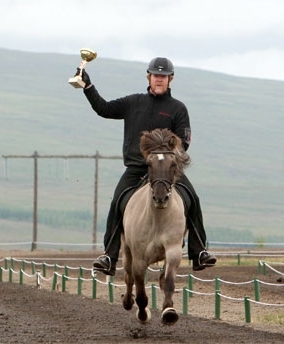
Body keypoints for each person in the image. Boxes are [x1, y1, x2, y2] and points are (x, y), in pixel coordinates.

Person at [76, 57, 217, 275]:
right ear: (148, 77)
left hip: (167, 171)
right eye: (155, 75)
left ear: (170, 79)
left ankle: (198, 251)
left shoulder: (178, 109)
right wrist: (88, 86)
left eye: (163, 76)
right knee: (117, 203)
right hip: (136, 169)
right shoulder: (133, 102)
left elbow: (184, 141)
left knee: (192, 199)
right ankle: (109, 256)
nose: (159, 79)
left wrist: (168, 157)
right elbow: (103, 108)